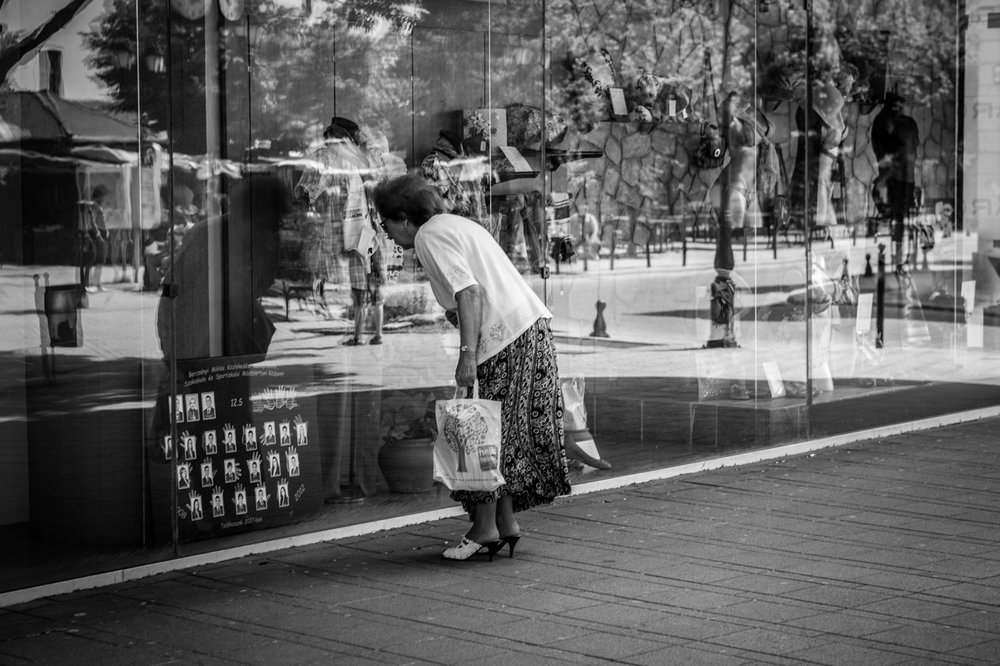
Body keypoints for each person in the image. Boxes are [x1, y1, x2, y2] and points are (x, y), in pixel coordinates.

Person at [372, 173, 571, 561]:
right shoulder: (457, 224)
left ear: (403, 218)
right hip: (530, 329)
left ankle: (483, 529)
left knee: (479, 434)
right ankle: (504, 523)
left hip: (502, 340)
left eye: (385, 224)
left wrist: (466, 355)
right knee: (505, 434)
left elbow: (470, 291)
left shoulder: (429, 235)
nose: (387, 233)